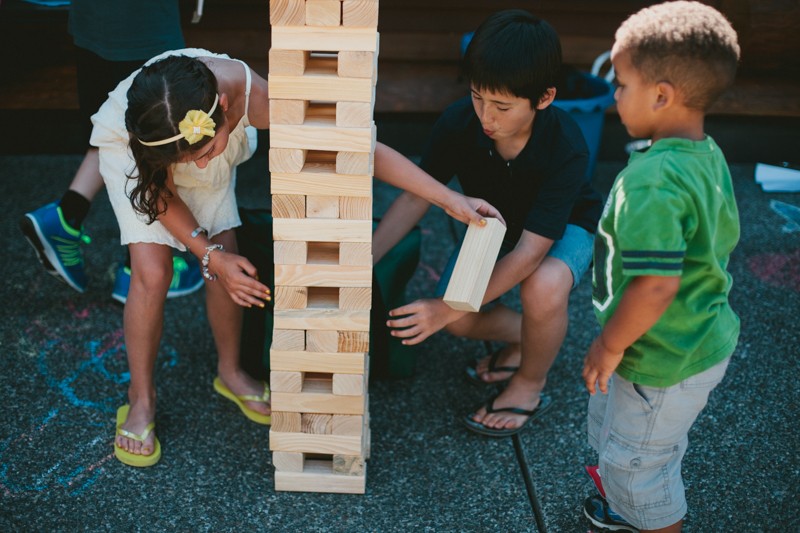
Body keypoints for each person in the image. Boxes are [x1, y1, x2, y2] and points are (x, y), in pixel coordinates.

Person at [99, 49, 499, 467]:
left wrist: (449, 198)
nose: (198, 167)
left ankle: (231, 372)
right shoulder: (157, 136)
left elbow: (361, 149)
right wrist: (205, 252)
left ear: (224, 108)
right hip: (145, 163)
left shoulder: (262, 101)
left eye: (206, 152)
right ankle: (140, 398)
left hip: (189, 133)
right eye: (191, 161)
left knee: (227, 255)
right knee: (153, 271)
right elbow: (160, 193)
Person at [375, 9, 603, 437]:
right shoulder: (459, 121)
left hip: (562, 228)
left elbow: (531, 252)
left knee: (544, 284)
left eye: (502, 105)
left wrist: (442, 309)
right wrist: (366, 258)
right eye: (479, 96)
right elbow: (415, 195)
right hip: (495, 227)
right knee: (460, 317)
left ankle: (530, 383)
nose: (487, 116)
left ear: (544, 98)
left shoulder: (566, 144)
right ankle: (532, 340)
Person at [580, 3, 741, 532]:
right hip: (694, 337)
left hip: (661, 354)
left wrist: (610, 344)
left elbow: (653, 286)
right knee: (631, 439)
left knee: (637, 466)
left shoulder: (652, 181)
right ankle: (627, 504)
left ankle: (644, 513)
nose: (615, 96)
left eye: (621, 84)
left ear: (662, 94)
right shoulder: (704, 153)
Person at [18, 0, 203, 304]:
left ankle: (66, 217)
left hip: (92, 24)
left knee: (113, 129)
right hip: (144, 27)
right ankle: (135, 269)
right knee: (155, 139)